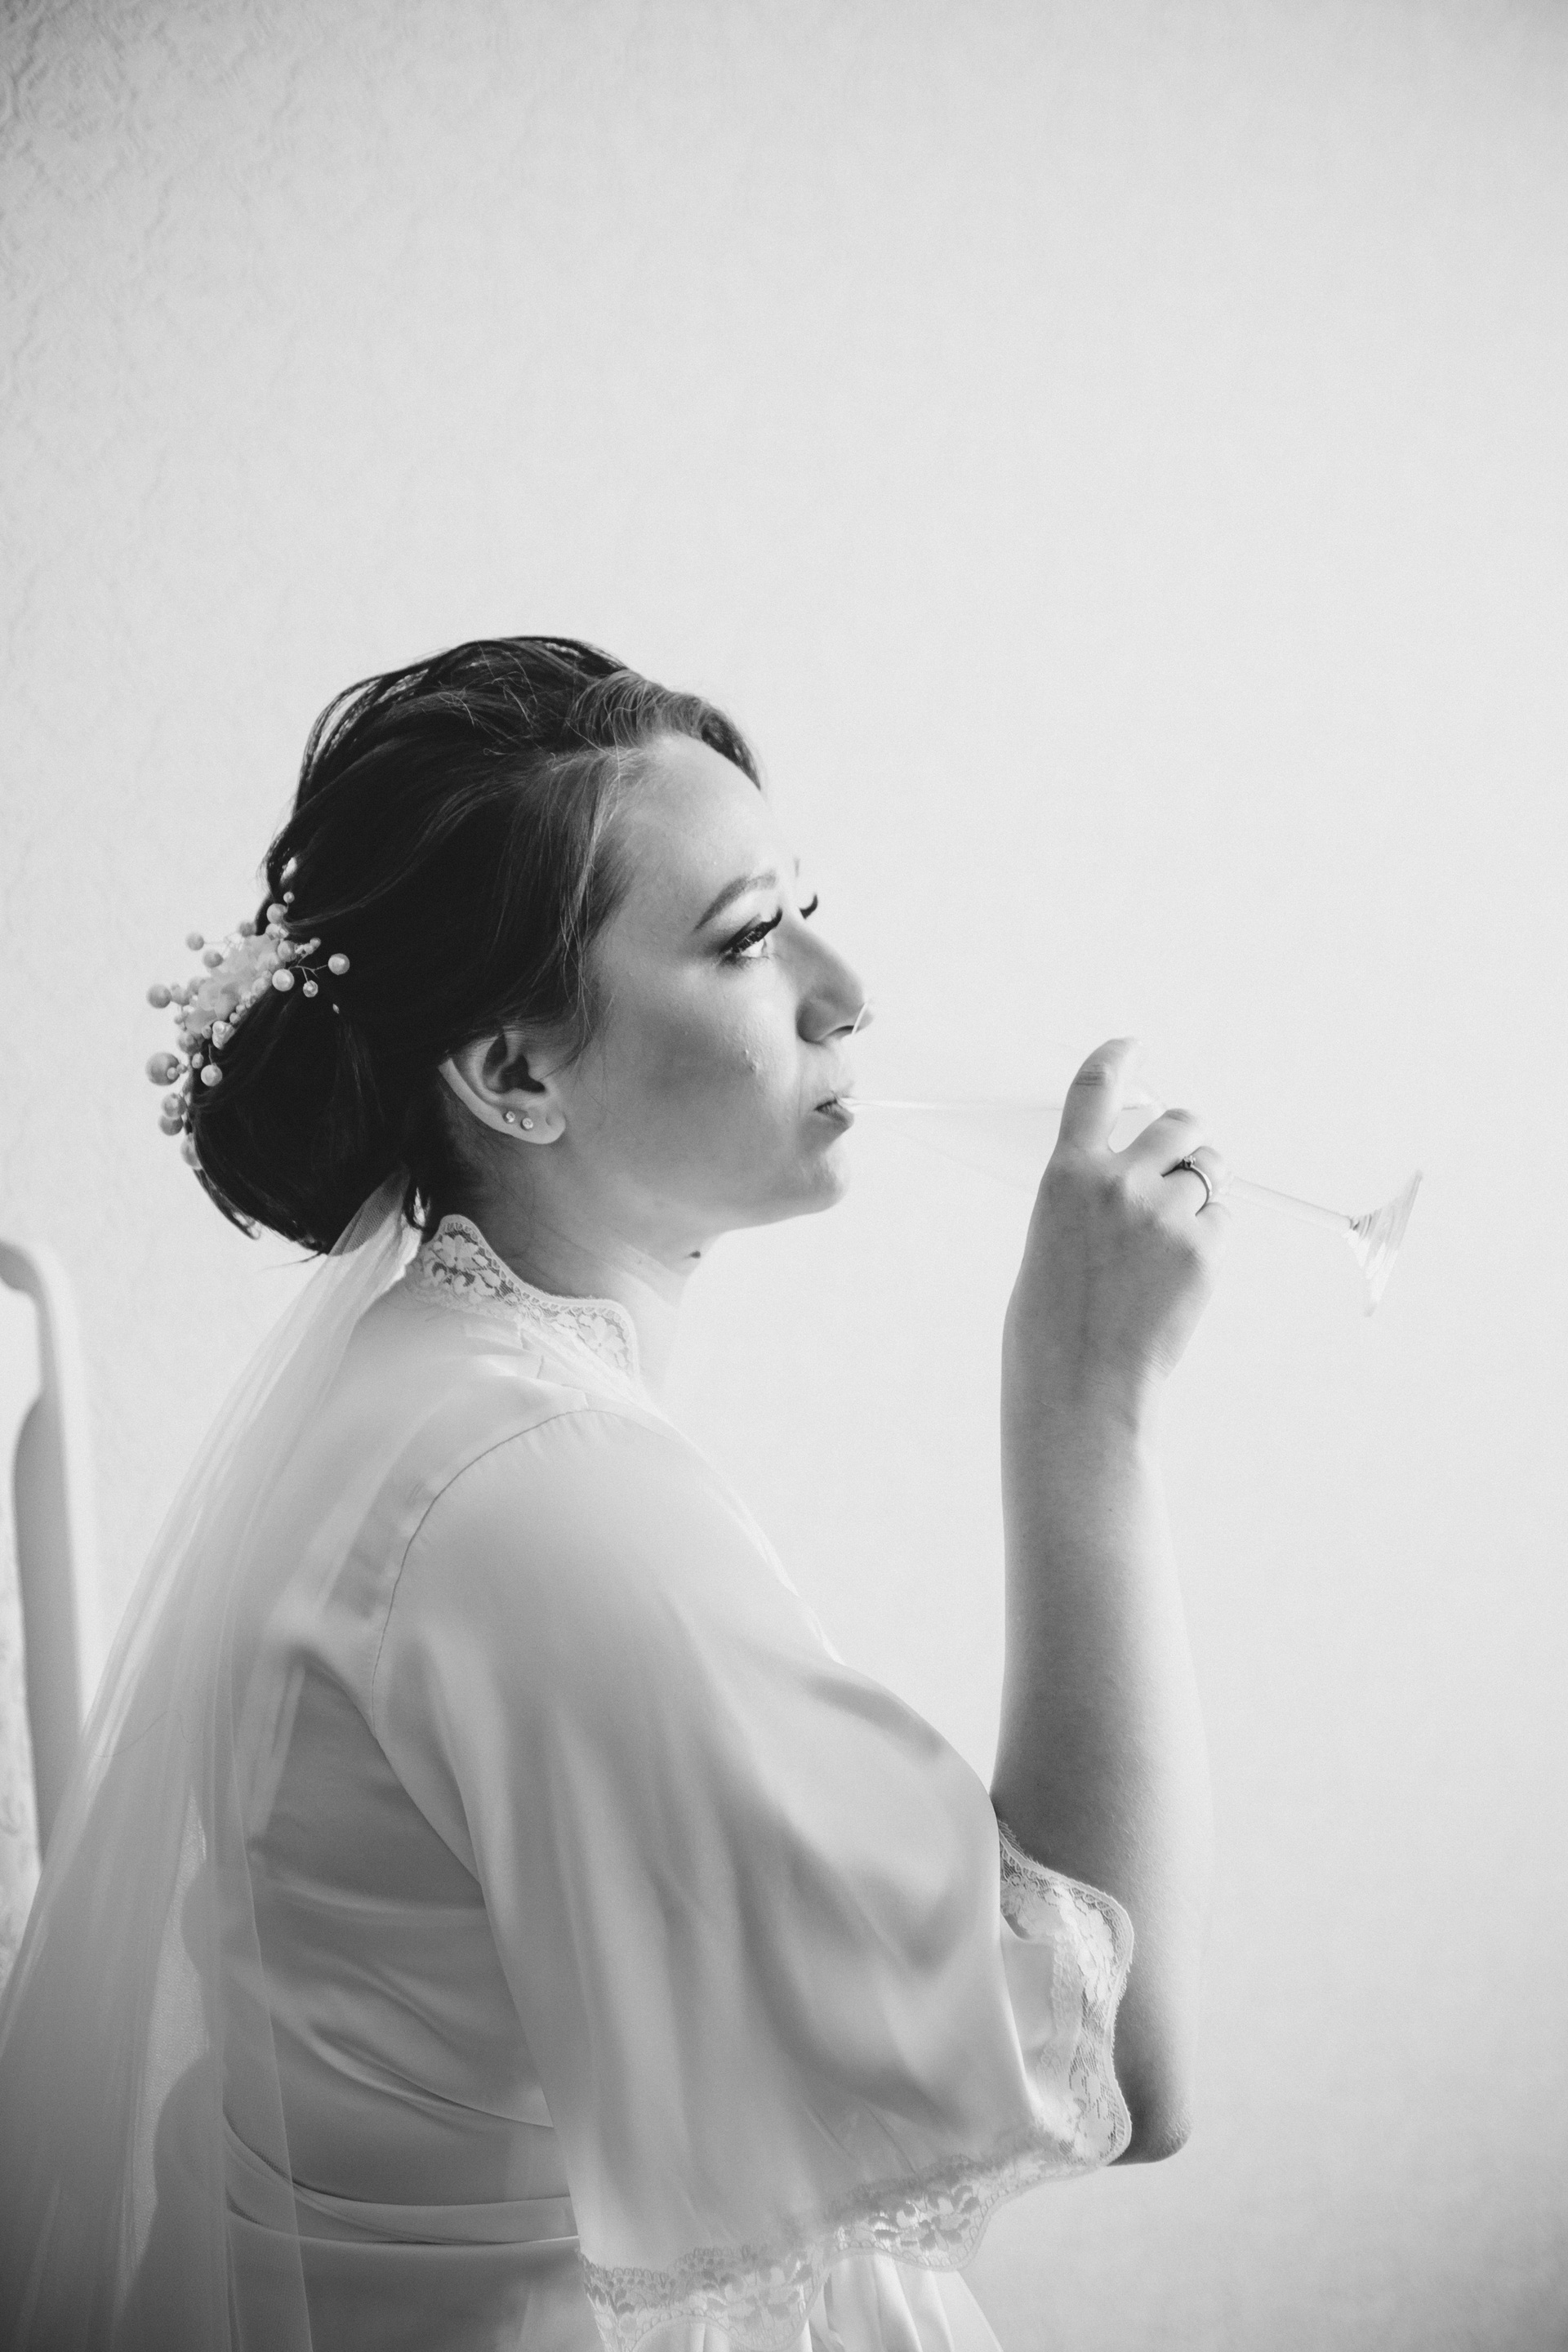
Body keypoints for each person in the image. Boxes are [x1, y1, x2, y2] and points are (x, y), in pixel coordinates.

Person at [0, 637, 1228, 2352]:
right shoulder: (535, 1497)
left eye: (809, 910)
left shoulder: (444, 1385)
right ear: (515, 1074)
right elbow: (1122, 2058)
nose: (846, 992)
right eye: (748, 939)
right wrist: (1087, 1401)